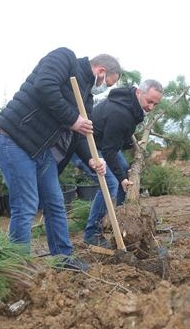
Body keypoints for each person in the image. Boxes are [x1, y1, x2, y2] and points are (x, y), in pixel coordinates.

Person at [0, 47, 120, 271]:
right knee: (26, 205)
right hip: (13, 140)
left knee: (55, 203)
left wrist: (91, 158)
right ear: (101, 70)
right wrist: (73, 119)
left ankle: (63, 258)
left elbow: (81, 134)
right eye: (107, 82)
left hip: (41, 151)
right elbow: (44, 86)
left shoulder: (86, 96)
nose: (105, 88)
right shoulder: (64, 58)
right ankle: (17, 266)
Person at [67, 79, 163, 248]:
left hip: (103, 143)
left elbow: (116, 137)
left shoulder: (131, 105)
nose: (151, 107)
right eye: (149, 101)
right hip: (86, 145)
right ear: (138, 93)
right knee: (111, 183)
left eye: (156, 104)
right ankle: (92, 233)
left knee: (123, 171)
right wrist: (121, 178)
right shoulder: (121, 113)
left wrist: (132, 144)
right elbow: (110, 149)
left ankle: (120, 221)